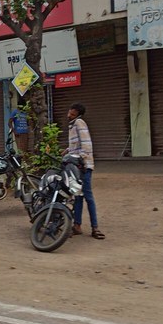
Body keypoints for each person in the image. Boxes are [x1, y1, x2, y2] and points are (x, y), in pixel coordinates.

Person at [67, 102, 105, 239]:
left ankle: (95, 228)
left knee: (88, 196)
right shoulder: (72, 125)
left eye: (72, 112)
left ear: (77, 113)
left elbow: (86, 144)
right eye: (70, 111)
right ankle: (77, 226)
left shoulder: (79, 123)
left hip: (83, 166)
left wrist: (81, 159)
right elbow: (76, 145)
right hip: (77, 166)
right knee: (78, 196)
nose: (69, 114)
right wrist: (67, 151)